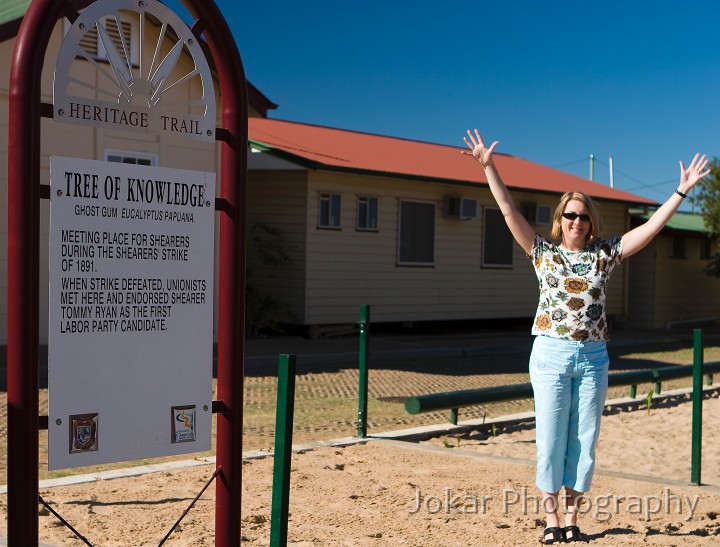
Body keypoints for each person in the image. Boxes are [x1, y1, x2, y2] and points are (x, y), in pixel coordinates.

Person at [462, 129, 710, 544]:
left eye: (583, 215)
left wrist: (680, 192)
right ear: (559, 222)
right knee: (550, 439)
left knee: (584, 440)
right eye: (569, 215)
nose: (576, 221)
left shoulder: (605, 253)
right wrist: (489, 167)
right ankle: (551, 521)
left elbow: (648, 231)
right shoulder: (543, 252)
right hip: (551, 356)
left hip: (593, 357)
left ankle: (573, 519)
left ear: (591, 221)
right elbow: (507, 212)